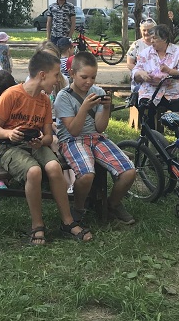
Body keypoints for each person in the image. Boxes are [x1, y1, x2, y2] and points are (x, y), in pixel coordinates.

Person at [0, 50, 92, 246]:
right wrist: (9, 134)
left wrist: (42, 142)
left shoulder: (44, 100)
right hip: (9, 146)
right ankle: (37, 225)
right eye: (56, 75)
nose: (57, 80)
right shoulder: (11, 95)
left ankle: (67, 221)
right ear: (42, 75)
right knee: (34, 171)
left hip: (33, 144)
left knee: (54, 167)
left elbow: (47, 136)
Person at [54, 52, 138, 225]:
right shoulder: (63, 97)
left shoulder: (97, 91)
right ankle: (78, 208)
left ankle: (112, 204)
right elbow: (74, 131)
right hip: (71, 140)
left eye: (93, 77)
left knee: (129, 172)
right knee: (86, 175)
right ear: (72, 74)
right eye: (84, 77)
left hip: (95, 137)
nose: (89, 82)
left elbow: (100, 127)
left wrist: (106, 108)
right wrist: (84, 108)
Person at [132, 24, 179, 129]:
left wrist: (170, 71)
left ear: (164, 39)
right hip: (151, 91)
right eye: (150, 38)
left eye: (155, 38)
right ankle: (151, 137)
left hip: (175, 92)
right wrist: (141, 74)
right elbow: (135, 71)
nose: (151, 41)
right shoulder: (145, 53)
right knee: (144, 107)